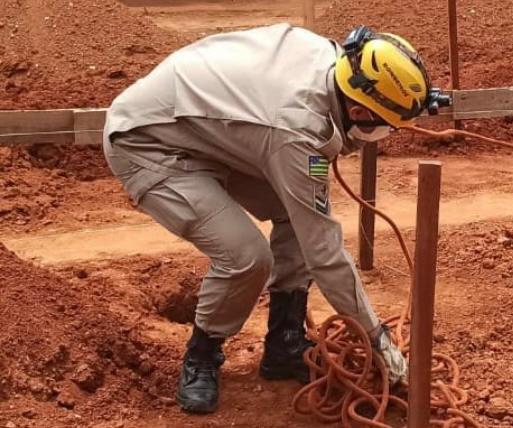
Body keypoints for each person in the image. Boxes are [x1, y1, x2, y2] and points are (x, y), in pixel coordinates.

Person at [103, 23, 445, 414]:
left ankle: (284, 342)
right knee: (246, 257)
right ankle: (202, 355)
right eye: (385, 126)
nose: (385, 134)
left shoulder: (336, 64)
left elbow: (309, 201)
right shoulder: (298, 134)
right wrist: (375, 335)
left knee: (299, 214)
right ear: (358, 111)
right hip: (149, 143)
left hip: (210, 131)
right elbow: (324, 253)